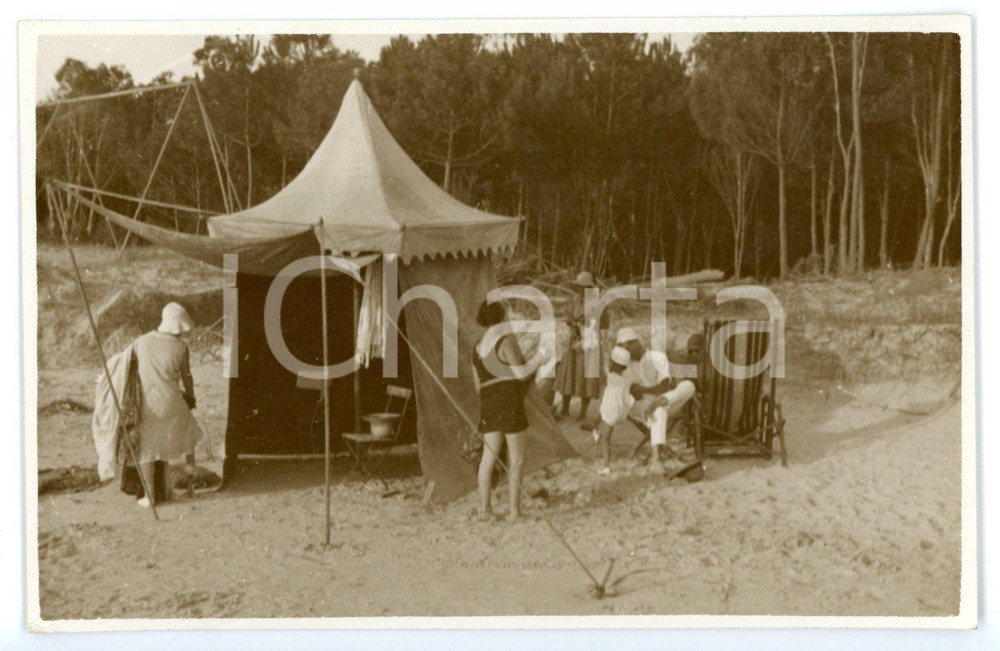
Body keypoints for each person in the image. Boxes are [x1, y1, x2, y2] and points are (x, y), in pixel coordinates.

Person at [132, 302, 203, 507]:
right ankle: (188, 490)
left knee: (148, 448)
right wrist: (190, 397)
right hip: (172, 401)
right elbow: (187, 376)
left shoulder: (141, 342)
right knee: (187, 440)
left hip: (147, 403)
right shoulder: (181, 347)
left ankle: (151, 495)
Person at [472, 301, 533, 522]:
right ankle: (515, 512)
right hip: (509, 403)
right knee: (517, 459)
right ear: (502, 317)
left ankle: (484, 510)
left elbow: (478, 385)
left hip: (489, 405)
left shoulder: (477, 347)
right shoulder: (505, 342)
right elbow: (522, 375)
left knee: (488, 458)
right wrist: (540, 359)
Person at [616, 327, 696, 473]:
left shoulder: (657, 357)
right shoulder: (626, 364)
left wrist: (644, 391)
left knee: (689, 385)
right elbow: (628, 391)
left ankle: (657, 404)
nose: (625, 353)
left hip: (664, 400)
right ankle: (656, 460)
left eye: (626, 348)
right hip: (640, 408)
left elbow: (664, 386)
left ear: (636, 344)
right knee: (657, 410)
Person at [554, 271, 606, 422]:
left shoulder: (597, 301)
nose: (580, 290)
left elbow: (603, 324)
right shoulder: (577, 299)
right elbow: (569, 316)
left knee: (587, 376)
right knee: (569, 371)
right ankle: (565, 407)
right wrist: (572, 321)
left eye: (583, 287)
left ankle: (583, 412)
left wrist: (586, 322)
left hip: (590, 341)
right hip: (575, 339)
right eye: (579, 287)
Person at [592, 346, 634, 476]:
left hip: (611, 411)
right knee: (604, 432)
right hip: (617, 410)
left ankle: (606, 466)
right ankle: (597, 431)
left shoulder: (611, 377)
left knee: (606, 439)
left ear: (614, 364)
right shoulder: (623, 378)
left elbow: (603, 375)